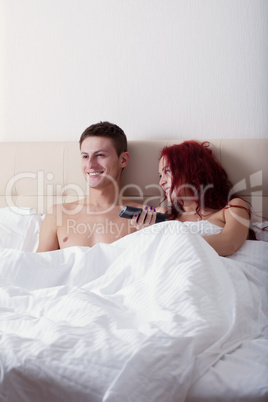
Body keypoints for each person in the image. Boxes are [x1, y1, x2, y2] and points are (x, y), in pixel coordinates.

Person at [131, 140, 251, 257]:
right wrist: (145, 233)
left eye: (167, 171)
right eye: (160, 176)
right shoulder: (163, 215)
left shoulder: (232, 208)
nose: (161, 182)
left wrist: (172, 245)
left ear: (191, 170)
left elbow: (229, 243)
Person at [37, 121, 140, 252]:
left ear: (123, 160)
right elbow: (39, 266)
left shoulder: (143, 217)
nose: (90, 164)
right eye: (85, 156)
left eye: (100, 155)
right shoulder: (57, 214)